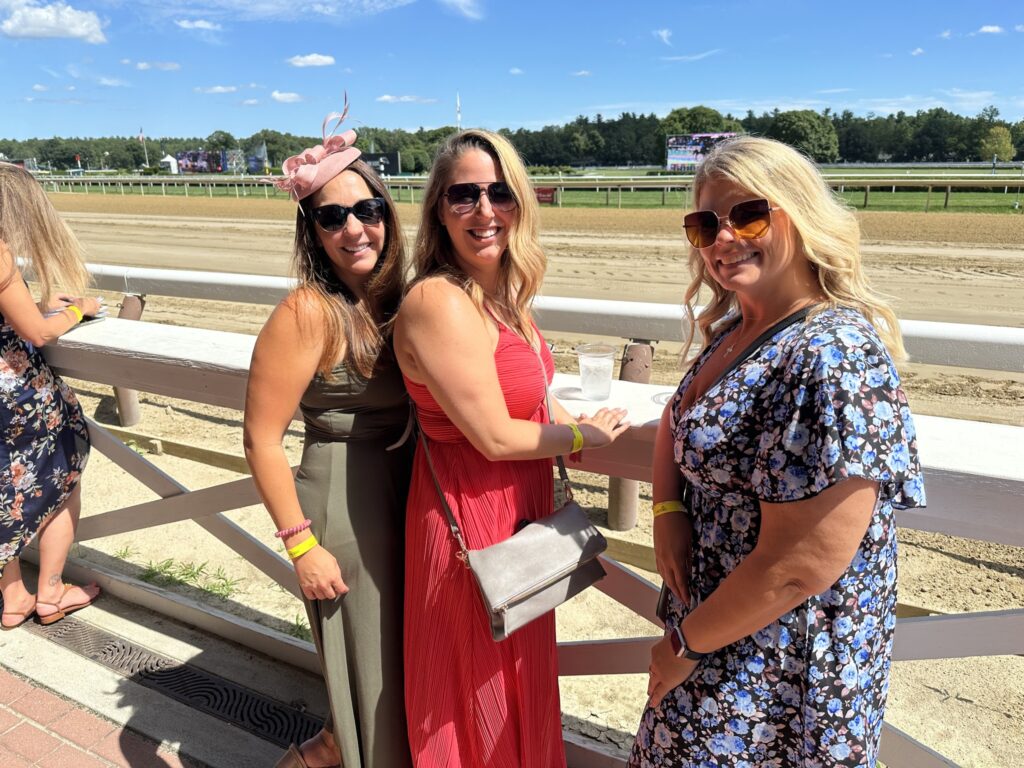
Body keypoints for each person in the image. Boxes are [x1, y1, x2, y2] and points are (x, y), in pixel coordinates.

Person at [629, 135, 926, 767]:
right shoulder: (740, 329)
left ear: (801, 215)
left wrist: (682, 648)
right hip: (718, 631)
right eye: (705, 224)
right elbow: (677, 416)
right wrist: (668, 511)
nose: (723, 238)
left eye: (748, 215)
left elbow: (803, 565)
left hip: (780, 668)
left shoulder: (834, 353)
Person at [393, 128, 629, 768]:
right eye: (463, 195)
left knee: (514, 675)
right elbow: (495, 436)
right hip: (469, 513)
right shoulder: (437, 300)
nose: (485, 210)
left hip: (516, 512)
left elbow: (528, 396)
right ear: (439, 210)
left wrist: (570, 420)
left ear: (521, 200)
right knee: (470, 688)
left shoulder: (505, 296)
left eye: (499, 192)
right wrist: (582, 437)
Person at [243, 107, 412, 768]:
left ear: (388, 213)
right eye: (331, 216)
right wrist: (301, 546)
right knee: (367, 697)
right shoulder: (306, 313)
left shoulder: (398, 296)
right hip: (342, 512)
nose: (353, 227)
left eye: (366, 209)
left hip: (402, 499)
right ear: (311, 231)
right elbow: (261, 441)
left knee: (392, 686)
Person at [1, 162, 102, 630]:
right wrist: (80, 309)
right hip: (16, 397)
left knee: (4, 490)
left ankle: (14, 596)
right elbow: (38, 332)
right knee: (64, 475)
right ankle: (52, 591)